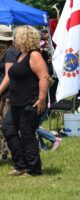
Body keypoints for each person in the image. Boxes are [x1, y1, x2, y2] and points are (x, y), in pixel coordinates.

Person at [4, 25, 49, 176]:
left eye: (16, 36)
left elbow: (44, 77)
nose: (14, 39)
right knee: (8, 128)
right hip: (16, 102)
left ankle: (34, 169)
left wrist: (42, 99)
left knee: (27, 134)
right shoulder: (20, 55)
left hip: (30, 102)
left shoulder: (34, 55)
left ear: (24, 38)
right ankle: (20, 165)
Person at [0, 25, 20, 163]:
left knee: (8, 127)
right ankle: (5, 154)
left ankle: (10, 155)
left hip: (8, 95)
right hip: (5, 94)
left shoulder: (10, 53)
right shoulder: (7, 52)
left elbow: (9, 75)